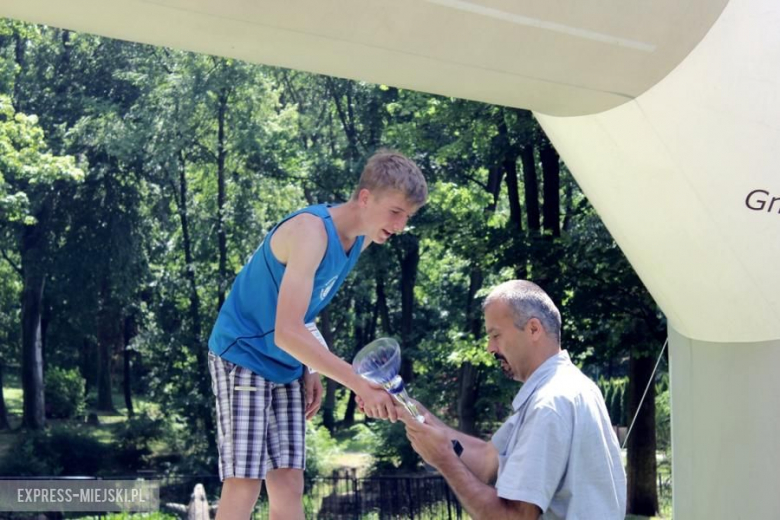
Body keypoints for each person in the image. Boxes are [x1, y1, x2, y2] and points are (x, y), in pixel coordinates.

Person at [207, 149, 427, 520]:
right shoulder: (311, 231)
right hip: (242, 354)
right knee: (244, 481)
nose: (401, 225)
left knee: (290, 483)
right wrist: (358, 382)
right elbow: (286, 331)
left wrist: (312, 367)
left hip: (286, 361)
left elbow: (300, 314)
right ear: (365, 197)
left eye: (408, 216)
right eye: (395, 212)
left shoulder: (360, 239)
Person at [399, 280, 626, 520]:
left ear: (533, 329)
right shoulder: (569, 387)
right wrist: (412, 411)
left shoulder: (549, 404)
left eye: (495, 335)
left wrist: (443, 459)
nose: (490, 348)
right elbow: (487, 460)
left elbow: (514, 518)